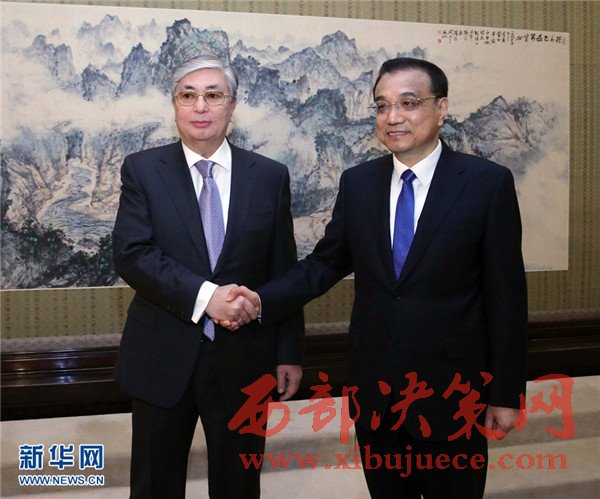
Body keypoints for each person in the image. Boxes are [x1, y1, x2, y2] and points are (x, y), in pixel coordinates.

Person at [223, 57, 527, 498]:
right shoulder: (360, 183)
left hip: (454, 397)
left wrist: (505, 392)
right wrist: (260, 299)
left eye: (408, 103)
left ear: (441, 108)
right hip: (377, 397)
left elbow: (507, 297)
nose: (393, 117)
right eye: (382, 106)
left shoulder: (486, 183)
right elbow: (325, 264)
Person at [112, 54, 304, 498]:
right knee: (155, 485)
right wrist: (207, 297)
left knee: (239, 486)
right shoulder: (143, 170)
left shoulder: (269, 176)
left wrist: (289, 351)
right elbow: (133, 255)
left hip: (246, 360)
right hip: (162, 355)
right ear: (175, 104)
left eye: (213, 95)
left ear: (232, 105)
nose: (200, 106)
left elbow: (283, 269)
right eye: (188, 95)